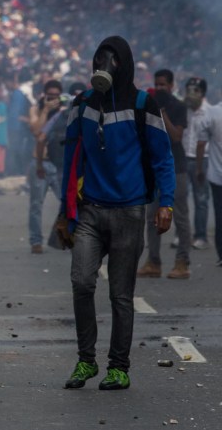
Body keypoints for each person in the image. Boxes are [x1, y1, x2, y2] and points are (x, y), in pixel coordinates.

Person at [58, 36, 175, 392]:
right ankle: (85, 361)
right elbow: (70, 158)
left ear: (124, 65)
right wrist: (66, 212)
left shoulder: (143, 105)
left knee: (121, 296)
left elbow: (163, 158)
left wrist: (165, 202)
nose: (103, 65)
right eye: (98, 59)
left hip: (129, 211)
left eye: (110, 60)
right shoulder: (81, 104)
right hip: (91, 211)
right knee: (81, 283)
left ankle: (119, 367)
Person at [138, 69, 190, 279]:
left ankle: (182, 262)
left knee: (179, 217)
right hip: (154, 169)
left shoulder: (178, 106)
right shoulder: (148, 106)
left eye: (163, 85)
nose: (159, 88)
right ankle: (153, 261)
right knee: (152, 217)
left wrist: (162, 114)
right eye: (156, 85)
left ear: (171, 86)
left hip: (176, 169)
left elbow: (176, 136)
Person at [28, 80, 64, 255]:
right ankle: (36, 241)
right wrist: (46, 110)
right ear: (44, 95)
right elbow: (36, 131)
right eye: (50, 96)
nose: (53, 99)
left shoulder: (65, 112)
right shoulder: (36, 109)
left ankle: (64, 237)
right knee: (36, 205)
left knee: (66, 201)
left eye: (56, 96)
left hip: (59, 164)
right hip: (40, 161)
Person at [182, 77, 211, 250]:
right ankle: (181, 234)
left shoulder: (210, 112)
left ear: (203, 93)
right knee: (181, 198)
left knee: (201, 199)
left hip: (204, 159)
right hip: (184, 157)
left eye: (195, 91)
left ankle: (200, 235)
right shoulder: (183, 110)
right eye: (189, 90)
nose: (191, 94)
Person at [196, 102, 222, 266]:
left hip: (217, 175)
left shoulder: (212, 112)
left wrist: (199, 168)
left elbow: (200, 143)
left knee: (220, 216)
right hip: (215, 175)